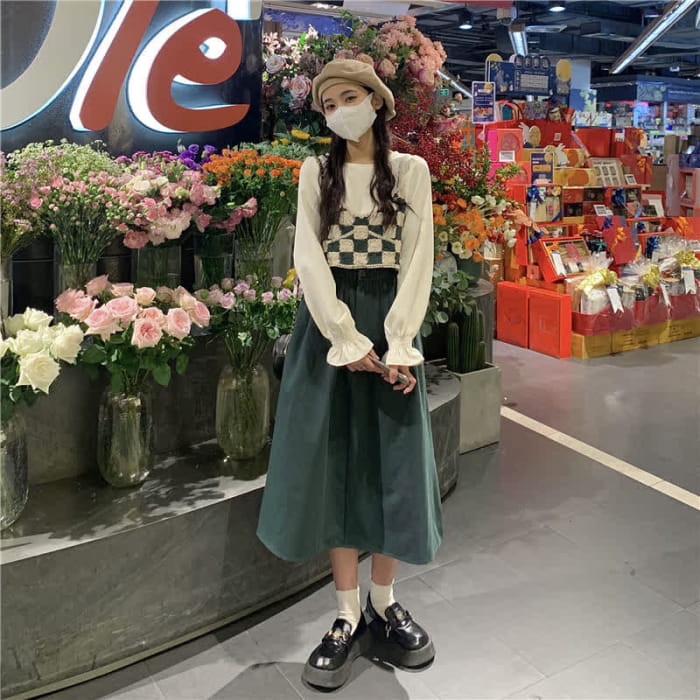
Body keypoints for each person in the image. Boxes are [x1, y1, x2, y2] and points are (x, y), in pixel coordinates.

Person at [256, 58, 444, 691]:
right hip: (329, 323)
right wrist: (343, 336)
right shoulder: (316, 171)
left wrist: (398, 343)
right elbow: (309, 257)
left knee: (393, 460)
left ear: (377, 101)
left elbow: (419, 257)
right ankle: (345, 611)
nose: (338, 111)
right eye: (328, 103)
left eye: (348, 97)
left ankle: (384, 601)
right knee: (335, 461)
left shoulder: (410, 171)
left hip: (391, 321)